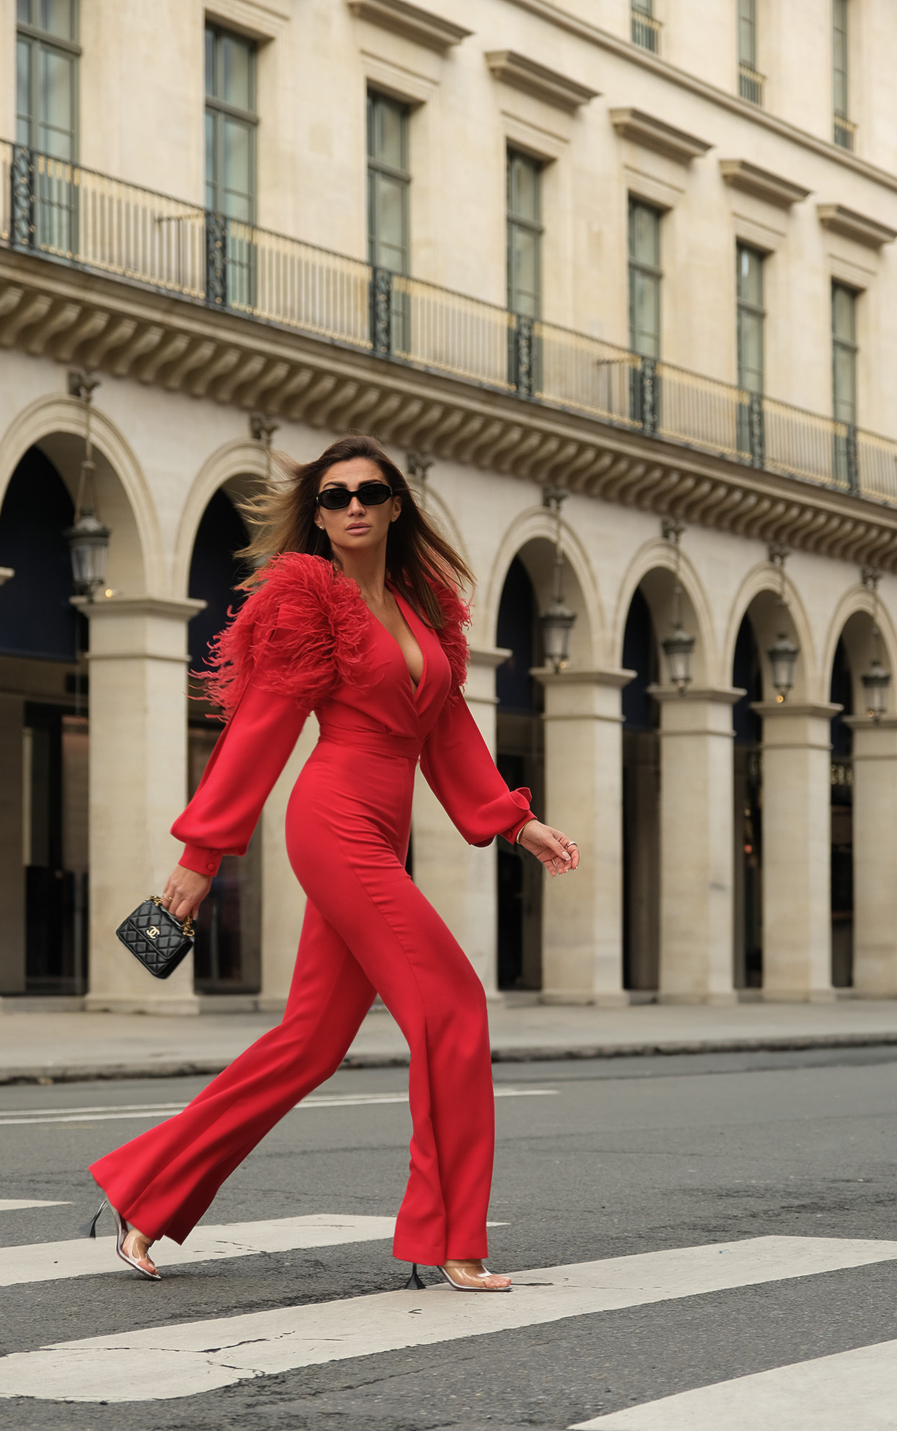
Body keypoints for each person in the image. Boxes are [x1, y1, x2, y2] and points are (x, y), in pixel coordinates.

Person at [85, 434, 580, 1293]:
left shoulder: (422, 610)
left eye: (370, 492)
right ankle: (453, 1237)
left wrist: (512, 820)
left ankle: (145, 1194)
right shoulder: (311, 600)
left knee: (310, 1044)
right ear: (316, 514)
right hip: (335, 820)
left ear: (395, 506)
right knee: (453, 1000)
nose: (353, 506)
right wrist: (201, 856)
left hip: (384, 832)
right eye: (335, 495)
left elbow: (448, 733)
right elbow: (262, 727)